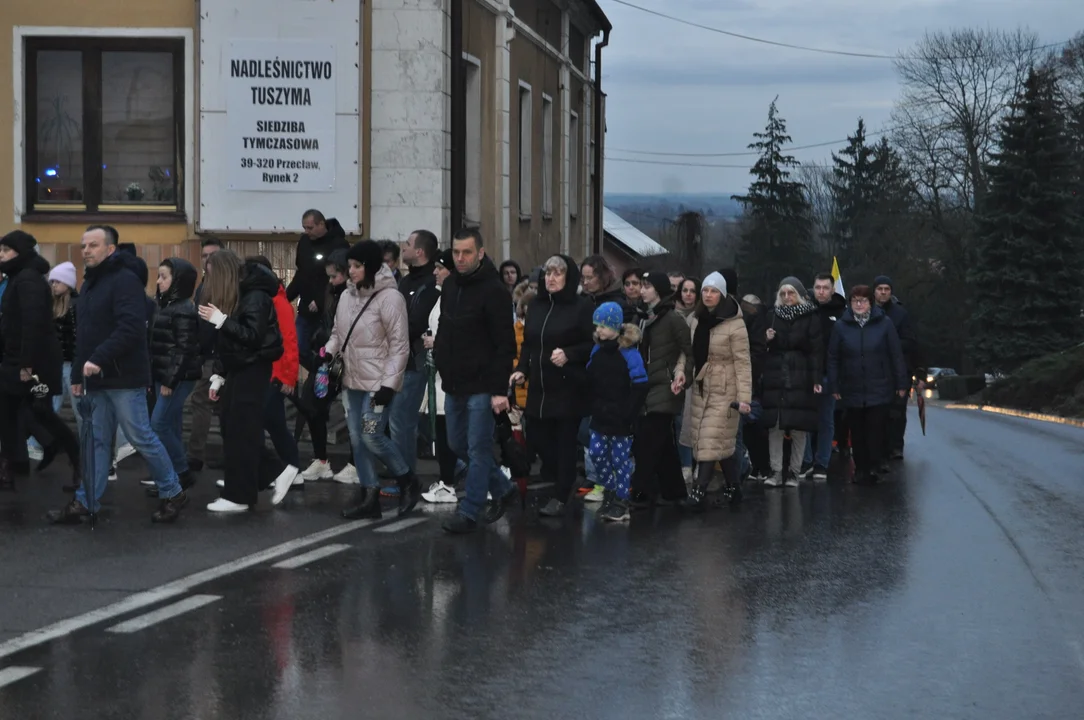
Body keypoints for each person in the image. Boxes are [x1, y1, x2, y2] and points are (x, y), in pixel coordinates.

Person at [48, 226, 185, 524]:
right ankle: (86, 501)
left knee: (140, 436)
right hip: (96, 378)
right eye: (84, 245)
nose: (86, 250)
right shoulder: (91, 284)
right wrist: (77, 375)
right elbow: (84, 335)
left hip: (125, 377)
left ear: (110, 249)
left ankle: (172, 491)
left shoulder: (125, 281)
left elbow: (131, 328)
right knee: (96, 440)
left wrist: (98, 358)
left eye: (93, 245)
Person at [325, 240, 416, 520]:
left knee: (370, 434)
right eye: (349, 266)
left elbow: (400, 346)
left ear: (371, 267)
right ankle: (370, 496)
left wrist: (389, 385)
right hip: (352, 381)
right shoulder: (346, 297)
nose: (350, 271)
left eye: (357, 266)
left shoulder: (391, 299)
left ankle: (407, 480)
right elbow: (338, 334)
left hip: (378, 386)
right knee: (356, 439)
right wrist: (325, 353)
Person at [434, 228, 517, 534]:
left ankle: (470, 510)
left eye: (467, 252)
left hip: (483, 384)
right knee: (457, 443)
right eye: (456, 252)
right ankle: (504, 488)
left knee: (478, 449)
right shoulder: (452, 284)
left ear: (480, 253)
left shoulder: (493, 290)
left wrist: (499, 391)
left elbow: (504, 344)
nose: (460, 258)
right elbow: (446, 326)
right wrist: (442, 359)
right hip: (455, 381)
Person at [199, 252, 290, 512]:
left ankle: (240, 494)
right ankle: (271, 473)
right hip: (241, 367)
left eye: (211, 273)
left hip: (253, 368)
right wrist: (219, 375)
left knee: (241, 430)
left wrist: (221, 321)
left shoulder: (255, 297)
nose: (208, 279)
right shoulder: (241, 295)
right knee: (233, 426)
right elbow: (229, 344)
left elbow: (251, 336)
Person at [512, 254, 595, 517]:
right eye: (548, 273)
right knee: (537, 437)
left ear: (569, 277)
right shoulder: (536, 305)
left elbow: (593, 344)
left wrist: (570, 354)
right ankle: (561, 478)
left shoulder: (582, 307)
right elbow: (528, 344)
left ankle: (561, 494)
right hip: (539, 386)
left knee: (564, 443)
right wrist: (521, 370)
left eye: (558, 273)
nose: (551, 278)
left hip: (568, 385)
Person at [0, 231, 79, 492]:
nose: (1, 254)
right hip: (19, 360)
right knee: (14, 412)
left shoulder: (28, 280)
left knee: (40, 412)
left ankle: (77, 462)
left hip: (34, 365)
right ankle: (14, 466)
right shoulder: (18, 277)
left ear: (20, 253)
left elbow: (33, 325)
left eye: (7, 250)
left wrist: (26, 365)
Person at [681, 272, 752, 511]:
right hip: (701, 385)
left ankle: (699, 490)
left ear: (722, 295)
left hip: (725, 387)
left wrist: (744, 398)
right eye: (706, 291)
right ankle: (734, 487)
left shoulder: (735, 323)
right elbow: (688, 352)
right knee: (720, 441)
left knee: (710, 438)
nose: (708, 295)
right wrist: (681, 372)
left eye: (714, 291)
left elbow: (743, 363)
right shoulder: (696, 319)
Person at [828, 285, 908, 484]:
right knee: (857, 431)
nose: (859, 304)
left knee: (875, 430)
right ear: (850, 303)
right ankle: (860, 468)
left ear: (870, 303)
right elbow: (833, 358)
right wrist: (835, 385)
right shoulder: (841, 326)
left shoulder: (884, 324)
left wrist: (901, 382)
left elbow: (895, 355)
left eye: (863, 300)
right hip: (852, 386)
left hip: (879, 386)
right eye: (855, 300)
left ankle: (873, 466)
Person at [631, 271, 691, 507]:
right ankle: (674, 492)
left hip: (666, 386)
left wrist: (681, 375)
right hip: (645, 386)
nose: (641, 290)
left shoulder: (673, 318)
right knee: (662, 443)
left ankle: (640, 493)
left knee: (647, 441)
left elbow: (688, 350)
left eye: (646, 286)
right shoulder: (643, 317)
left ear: (658, 290)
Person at [298, 250, 358, 484]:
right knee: (311, 403)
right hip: (330, 359)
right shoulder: (332, 292)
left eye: (335, 276)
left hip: (350, 361)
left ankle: (355, 465)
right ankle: (321, 460)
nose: (331, 281)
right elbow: (330, 325)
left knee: (353, 412)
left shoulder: (355, 295)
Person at [145, 257, 202, 496]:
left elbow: (184, 349)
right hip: (163, 376)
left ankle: (182, 472)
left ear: (178, 280)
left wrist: (170, 381)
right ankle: (171, 482)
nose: (158, 281)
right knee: (172, 425)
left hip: (177, 378)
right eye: (158, 276)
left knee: (158, 425)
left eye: (164, 276)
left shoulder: (184, 310)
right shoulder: (165, 305)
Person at [586, 302, 648, 522]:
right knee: (596, 453)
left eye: (602, 326)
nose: (598, 331)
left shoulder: (629, 354)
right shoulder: (597, 349)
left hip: (621, 417)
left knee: (620, 460)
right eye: (597, 326)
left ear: (614, 326)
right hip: (600, 414)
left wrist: (628, 413)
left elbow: (640, 385)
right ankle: (610, 490)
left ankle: (622, 501)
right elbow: (589, 378)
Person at [761, 277, 823, 488]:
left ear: (798, 294)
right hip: (775, 374)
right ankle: (776, 471)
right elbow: (759, 347)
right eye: (783, 293)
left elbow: (816, 350)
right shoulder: (772, 315)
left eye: (791, 293)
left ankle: (794, 472)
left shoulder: (811, 316)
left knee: (798, 427)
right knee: (775, 425)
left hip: (801, 374)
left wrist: (816, 379)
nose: (787, 297)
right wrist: (766, 339)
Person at [388, 230, 440, 477]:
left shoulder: (430, 283)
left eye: (408, 244)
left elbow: (418, 322)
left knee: (401, 421)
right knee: (399, 420)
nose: (404, 248)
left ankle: (405, 477)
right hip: (398, 360)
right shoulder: (407, 281)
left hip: (413, 361)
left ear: (419, 251)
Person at [249, 256, 302, 494]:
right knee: (274, 423)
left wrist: (288, 377)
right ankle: (290, 469)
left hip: (275, 374)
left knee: (267, 422)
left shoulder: (278, 303)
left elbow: (289, 342)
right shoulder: (271, 300)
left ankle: (285, 470)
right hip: (270, 373)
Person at [420, 249, 469, 502]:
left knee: (452, 432)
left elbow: (457, 335)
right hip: (439, 373)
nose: (435, 272)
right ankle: (449, 478)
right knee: (442, 429)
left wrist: (435, 342)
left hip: (451, 375)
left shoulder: (457, 298)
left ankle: (450, 483)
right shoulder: (442, 296)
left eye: (440, 268)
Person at [802, 272, 847, 481]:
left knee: (826, 420)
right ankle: (806, 461)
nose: (821, 291)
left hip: (829, 374)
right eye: (817, 287)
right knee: (804, 419)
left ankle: (822, 463)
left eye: (825, 288)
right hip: (805, 372)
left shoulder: (841, 313)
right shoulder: (805, 309)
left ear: (832, 289)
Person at [287, 209, 348, 361]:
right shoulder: (304, 242)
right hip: (306, 308)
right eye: (304, 228)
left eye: (310, 227)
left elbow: (342, 279)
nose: (307, 232)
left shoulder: (339, 244)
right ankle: (315, 371)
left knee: (325, 350)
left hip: (327, 310)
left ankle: (320, 375)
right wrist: (286, 296)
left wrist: (321, 299)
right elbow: (301, 273)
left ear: (321, 224)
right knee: (298, 348)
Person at [873, 275, 923, 461]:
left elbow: (911, 342)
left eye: (887, 289)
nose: (883, 292)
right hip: (875, 369)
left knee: (897, 411)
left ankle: (896, 446)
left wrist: (919, 372)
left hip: (898, 370)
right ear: (874, 291)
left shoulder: (901, 314)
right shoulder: (867, 311)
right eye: (880, 289)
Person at [187, 237, 223, 472]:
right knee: (210, 404)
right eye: (204, 256)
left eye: (213, 255)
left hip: (216, 357)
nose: (207, 260)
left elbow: (214, 325)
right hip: (209, 356)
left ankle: (195, 456)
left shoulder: (221, 285)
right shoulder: (204, 284)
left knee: (202, 403)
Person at [47, 262, 79, 437]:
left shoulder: (74, 305)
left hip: (71, 364)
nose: (54, 285)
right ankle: (39, 444)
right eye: (52, 282)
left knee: (78, 408)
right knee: (51, 404)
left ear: (68, 283)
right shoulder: (53, 303)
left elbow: (76, 337)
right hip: (57, 363)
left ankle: (86, 445)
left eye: (57, 281)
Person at [674, 276, 699, 477]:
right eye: (685, 290)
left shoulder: (702, 315)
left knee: (692, 419)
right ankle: (684, 465)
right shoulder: (672, 313)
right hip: (672, 369)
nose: (688, 294)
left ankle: (694, 464)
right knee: (678, 420)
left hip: (694, 371)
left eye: (692, 290)